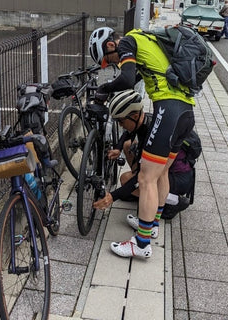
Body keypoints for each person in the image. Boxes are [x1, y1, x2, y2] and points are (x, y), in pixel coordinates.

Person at [88, 27, 195, 259]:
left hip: (169, 110)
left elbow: (126, 78)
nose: (116, 65)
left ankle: (142, 243)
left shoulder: (128, 41)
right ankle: (152, 225)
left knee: (147, 177)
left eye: (111, 61)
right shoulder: (144, 39)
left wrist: (104, 89)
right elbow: (132, 79)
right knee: (162, 172)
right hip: (186, 112)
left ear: (110, 46)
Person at [93, 90, 193, 232]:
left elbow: (141, 179)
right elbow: (128, 133)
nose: (120, 125)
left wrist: (112, 197)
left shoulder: (150, 134)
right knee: (128, 146)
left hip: (178, 177)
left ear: (134, 115)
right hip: (168, 170)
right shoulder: (145, 121)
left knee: (128, 180)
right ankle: (147, 198)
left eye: (121, 121)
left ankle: (173, 201)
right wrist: (118, 148)